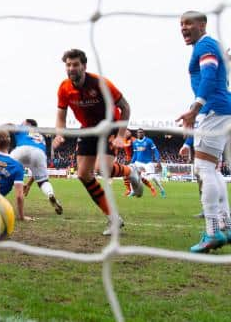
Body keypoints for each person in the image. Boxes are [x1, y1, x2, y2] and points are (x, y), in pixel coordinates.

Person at [52, 48, 143, 236]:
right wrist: (59, 134)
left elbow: (125, 107)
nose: (71, 68)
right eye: (68, 65)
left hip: (110, 125)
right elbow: (61, 115)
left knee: (102, 168)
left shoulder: (101, 84)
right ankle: (113, 218)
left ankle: (130, 171)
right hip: (88, 129)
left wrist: (120, 135)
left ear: (84, 66)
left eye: (75, 64)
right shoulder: (64, 88)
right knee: (84, 174)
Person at [177, 10, 231, 252]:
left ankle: (212, 232)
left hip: (214, 110)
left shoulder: (205, 46)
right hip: (220, 110)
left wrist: (196, 107)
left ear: (202, 24)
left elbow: (209, 75)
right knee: (213, 169)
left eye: (188, 23)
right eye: (181, 24)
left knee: (204, 168)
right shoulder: (209, 45)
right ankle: (226, 225)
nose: (184, 28)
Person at [9, 119, 63, 215]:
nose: (21, 123)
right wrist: (29, 184)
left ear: (28, 124)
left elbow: (9, 125)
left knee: (6, 173)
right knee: (43, 182)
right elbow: (35, 171)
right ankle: (50, 194)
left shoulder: (23, 128)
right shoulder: (40, 136)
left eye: (23, 122)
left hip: (21, 149)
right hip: (39, 153)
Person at [131, 128, 166, 197]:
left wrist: (158, 160)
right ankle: (133, 191)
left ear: (144, 133)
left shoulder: (149, 141)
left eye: (141, 132)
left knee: (153, 178)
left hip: (148, 162)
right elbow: (135, 154)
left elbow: (155, 151)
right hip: (138, 162)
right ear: (137, 134)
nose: (140, 133)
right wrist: (131, 162)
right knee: (132, 175)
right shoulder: (135, 142)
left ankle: (162, 190)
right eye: (139, 132)